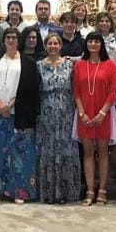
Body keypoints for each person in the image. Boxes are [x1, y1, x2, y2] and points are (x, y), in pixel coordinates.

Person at [0, 27, 39, 205]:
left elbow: (29, 89)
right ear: (3, 41)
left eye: (14, 37)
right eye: (8, 37)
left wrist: (10, 104)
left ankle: (19, 192)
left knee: (20, 155)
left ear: (19, 41)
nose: (11, 40)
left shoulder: (28, 62)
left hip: (19, 114)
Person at [74, 32, 116, 206]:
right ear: (86, 44)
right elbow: (76, 91)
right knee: (87, 152)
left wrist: (102, 112)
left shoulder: (110, 65)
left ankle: (102, 190)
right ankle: (90, 190)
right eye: (90, 41)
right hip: (84, 113)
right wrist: (82, 113)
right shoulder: (79, 65)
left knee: (102, 151)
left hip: (103, 113)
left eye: (96, 41)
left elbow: (113, 91)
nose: (93, 44)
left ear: (101, 44)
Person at [36, 34, 81, 204]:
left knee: (65, 150)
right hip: (46, 114)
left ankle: (65, 192)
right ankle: (48, 192)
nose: (53, 46)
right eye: (50, 43)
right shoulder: (38, 66)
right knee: (48, 151)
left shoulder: (70, 65)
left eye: (56, 43)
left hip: (66, 114)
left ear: (61, 46)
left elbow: (75, 89)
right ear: (46, 46)